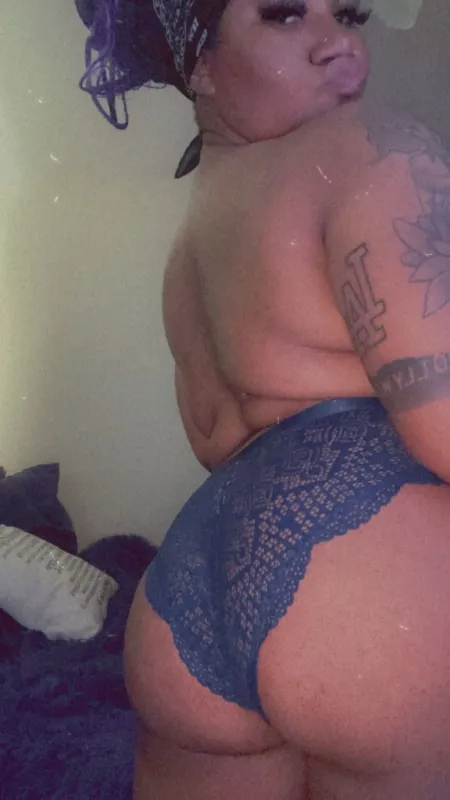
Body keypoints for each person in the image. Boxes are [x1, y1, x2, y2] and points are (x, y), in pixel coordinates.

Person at [77, 1, 450, 797]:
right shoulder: (367, 145)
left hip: (184, 607)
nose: (338, 44)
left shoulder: (188, 248)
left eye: (348, 13)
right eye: (284, 15)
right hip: (369, 589)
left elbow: (216, 440)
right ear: (201, 66)